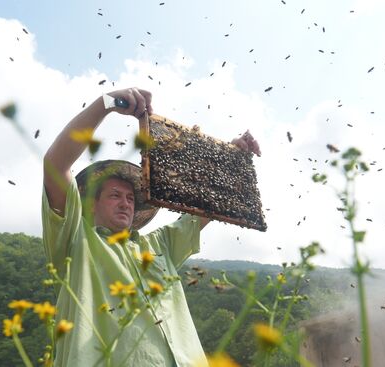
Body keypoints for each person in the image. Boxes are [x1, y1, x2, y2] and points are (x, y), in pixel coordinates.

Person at [42, 87, 261, 367]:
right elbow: (55, 166)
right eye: (114, 195)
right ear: (90, 204)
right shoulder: (75, 240)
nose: (125, 203)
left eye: (131, 198)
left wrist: (233, 159)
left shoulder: (159, 246)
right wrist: (105, 104)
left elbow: (208, 204)